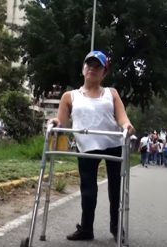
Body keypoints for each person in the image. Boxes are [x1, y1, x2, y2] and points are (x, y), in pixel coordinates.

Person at [49, 50, 135, 242]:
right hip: (87, 145)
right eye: (89, 65)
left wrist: (127, 126)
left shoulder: (111, 93)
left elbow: (122, 117)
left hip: (113, 143)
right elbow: (61, 121)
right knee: (88, 190)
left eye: (98, 67)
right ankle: (86, 228)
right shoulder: (69, 96)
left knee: (115, 189)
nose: (93, 69)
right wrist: (55, 123)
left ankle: (115, 227)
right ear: (83, 69)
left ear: (104, 72)